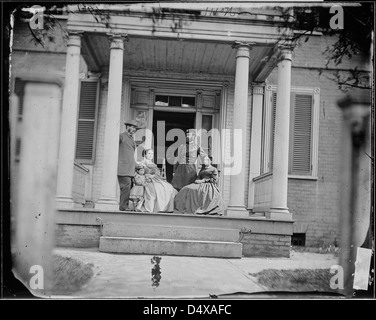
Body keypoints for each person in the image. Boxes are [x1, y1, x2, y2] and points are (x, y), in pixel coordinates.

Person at [117, 120, 139, 211]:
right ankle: (123, 207)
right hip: (123, 168)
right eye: (131, 127)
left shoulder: (131, 139)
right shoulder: (121, 136)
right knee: (126, 187)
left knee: (127, 188)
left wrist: (136, 165)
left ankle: (123, 206)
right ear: (127, 127)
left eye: (135, 128)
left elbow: (130, 155)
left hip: (130, 169)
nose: (133, 129)